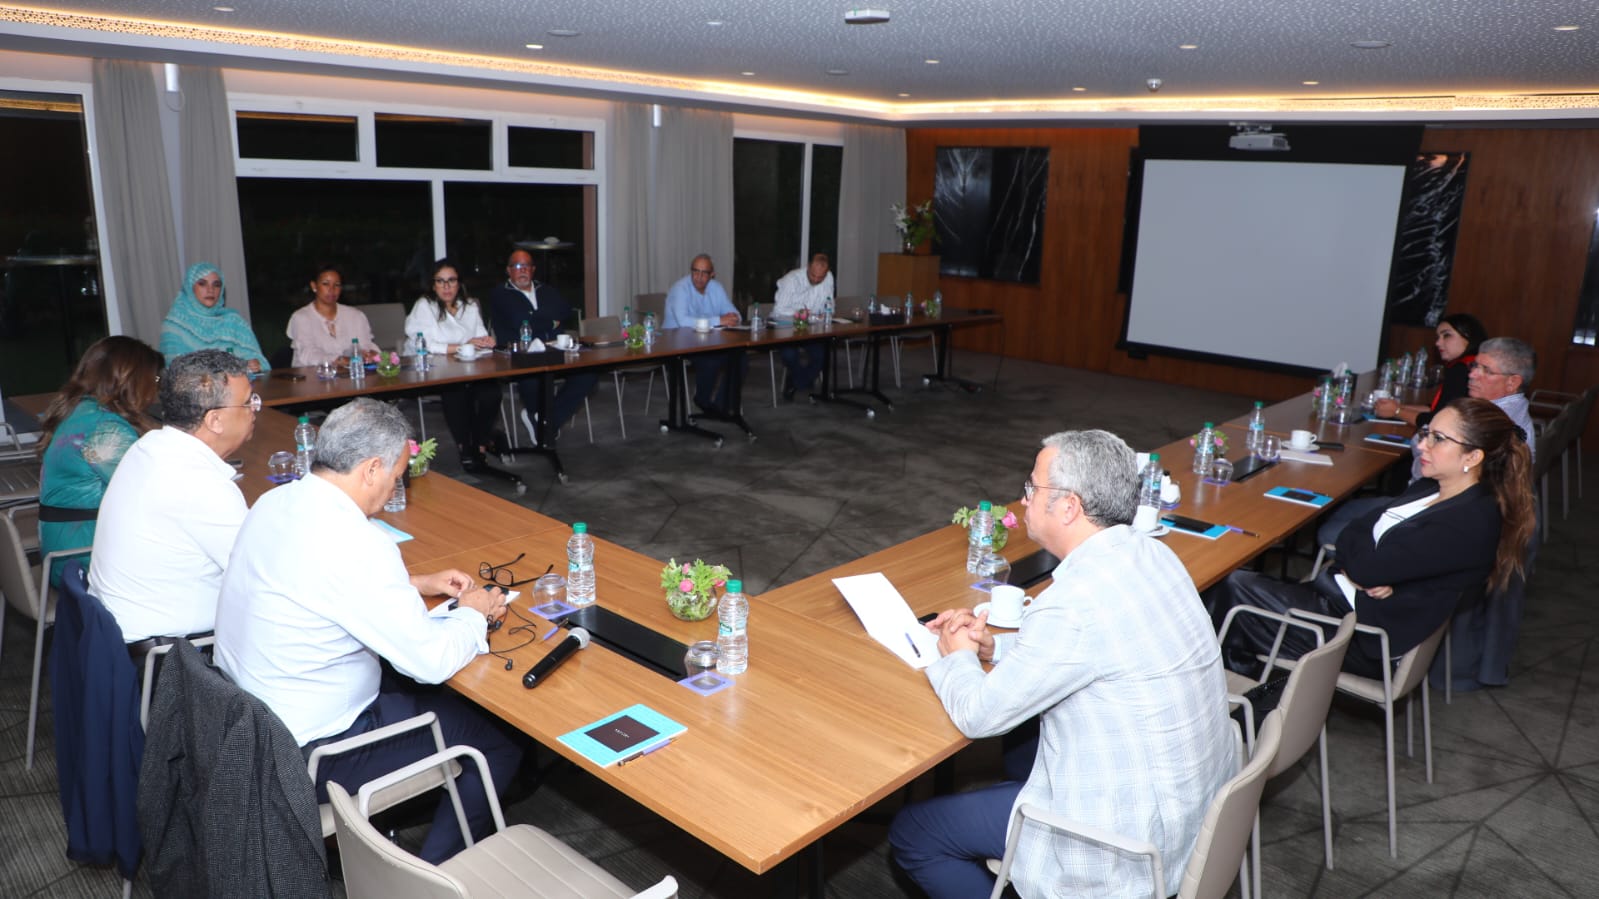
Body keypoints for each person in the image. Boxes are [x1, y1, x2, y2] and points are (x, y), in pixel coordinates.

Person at [889, 430, 1236, 899]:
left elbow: (978, 716)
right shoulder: (1154, 553)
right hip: (1192, 813)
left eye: (1032, 488)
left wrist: (958, 655)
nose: (1024, 499)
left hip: (1122, 846)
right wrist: (994, 650)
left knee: (915, 832)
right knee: (1022, 748)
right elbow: (1095, 648)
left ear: (1069, 507)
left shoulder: (1073, 604)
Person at [214, 398, 520, 864]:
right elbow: (432, 662)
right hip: (314, 752)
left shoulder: (275, 502)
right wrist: (474, 612)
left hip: (251, 726)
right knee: (499, 740)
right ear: (372, 468)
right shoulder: (360, 543)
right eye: (397, 476)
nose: (396, 487)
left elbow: (316, 582)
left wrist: (416, 583)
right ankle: (429, 880)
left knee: (409, 685)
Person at [1208, 398, 1536, 681]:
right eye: (1427, 433)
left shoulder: (1468, 522)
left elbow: (1364, 563)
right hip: (1342, 602)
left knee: (1229, 590)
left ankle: (1235, 698)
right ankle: (1237, 688)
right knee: (1233, 592)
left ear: (1472, 457)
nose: (1422, 445)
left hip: (1364, 636)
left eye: (1438, 439)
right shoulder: (1432, 487)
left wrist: (1367, 568)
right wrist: (1370, 568)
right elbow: (1355, 529)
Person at [89, 350, 254, 644]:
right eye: (248, 402)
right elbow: (262, 577)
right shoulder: (202, 486)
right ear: (215, 420)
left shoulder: (148, 447)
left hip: (113, 633)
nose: (255, 409)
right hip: (174, 654)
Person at [36, 336, 163, 583]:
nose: (156, 389)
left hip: (64, 549)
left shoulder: (78, 410)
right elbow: (152, 497)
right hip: (85, 561)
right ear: (133, 381)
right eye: (155, 379)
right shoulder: (106, 430)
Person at [404, 258, 511, 475]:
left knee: (491, 393)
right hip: (432, 368)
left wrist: (486, 341)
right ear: (433, 284)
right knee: (456, 392)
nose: (446, 286)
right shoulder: (424, 306)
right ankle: (465, 448)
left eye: (451, 280)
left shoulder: (469, 306)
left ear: (459, 283)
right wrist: (465, 345)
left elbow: (480, 336)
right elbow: (427, 344)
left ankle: (480, 442)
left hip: (467, 367)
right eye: (440, 281)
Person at [486, 248, 597, 438]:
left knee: (588, 373)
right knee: (531, 378)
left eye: (527, 265)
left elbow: (564, 310)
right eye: (517, 266)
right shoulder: (500, 293)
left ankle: (546, 421)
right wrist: (551, 321)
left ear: (533, 269)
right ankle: (543, 421)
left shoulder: (545, 289)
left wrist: (534, 318)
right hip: (519, 356)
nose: (523, 270)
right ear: (508, 270)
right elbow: (519, 321)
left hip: (556, 351)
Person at [662, 254, 744, 414]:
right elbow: (683, 321)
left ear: (712, 274)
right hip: (677, 341)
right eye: (695, 271)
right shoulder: (680, 289)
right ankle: (702, 400)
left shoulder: (716, 288)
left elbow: (735, 314)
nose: (698, 277)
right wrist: (719, 320)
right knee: (710, 360)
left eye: (704, 273)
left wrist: (733, 317)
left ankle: (721, 404)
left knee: (740, 357)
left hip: (707, 340)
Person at [1374, 312, 1486, 428]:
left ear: (1468, 337)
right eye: (1438, 337)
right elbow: (1437, 408)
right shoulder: (1470, 365)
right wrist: (1398, 407)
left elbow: (1438, 421)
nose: (1438, 343)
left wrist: (1397, 411)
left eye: (1446, 335)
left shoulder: (1461, 370)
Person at [158, 261, 271, 373]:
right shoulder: (175, 325)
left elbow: (262, 364)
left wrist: (254, 365)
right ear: (190, 287)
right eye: (202, 284)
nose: (210, 290)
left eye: (216, 285)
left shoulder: (233, 322)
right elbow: (174, 371)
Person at [286, 263, 378, 367]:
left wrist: (371, 354)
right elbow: (308, 354)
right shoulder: (301, 317)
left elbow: (366, 345)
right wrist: (339, 360)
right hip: (310, 375)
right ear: (314, 286)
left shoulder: (356, 316)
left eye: (337, 285)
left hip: (348, 374)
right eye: (326, 284)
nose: (332, 289)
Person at [771, 253, 834, 399]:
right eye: (813, 275)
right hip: (786, 326)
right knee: (789, 354)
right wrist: (802, 313)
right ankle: (802, 380)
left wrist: (826, 312)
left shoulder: (828, 278)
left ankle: (796, 381)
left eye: (820, 277)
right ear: (808, 267)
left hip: (811, 328)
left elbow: (829, 304)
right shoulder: (791, 280)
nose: (816, 280)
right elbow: (779, 310)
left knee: (822, 354)